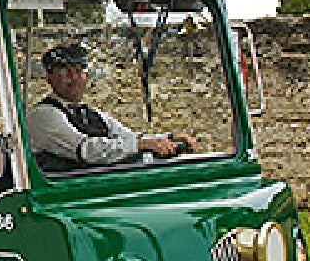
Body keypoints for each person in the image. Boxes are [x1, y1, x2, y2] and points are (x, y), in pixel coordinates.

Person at [25, 43, 196, 173]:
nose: (74, 78)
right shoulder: (43, 116)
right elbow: (87, 150)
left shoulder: (91, 114)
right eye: (64, 72)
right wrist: (142, 144)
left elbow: (128, 137)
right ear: (49, 78)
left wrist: (167, 139)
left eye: (79, 71)